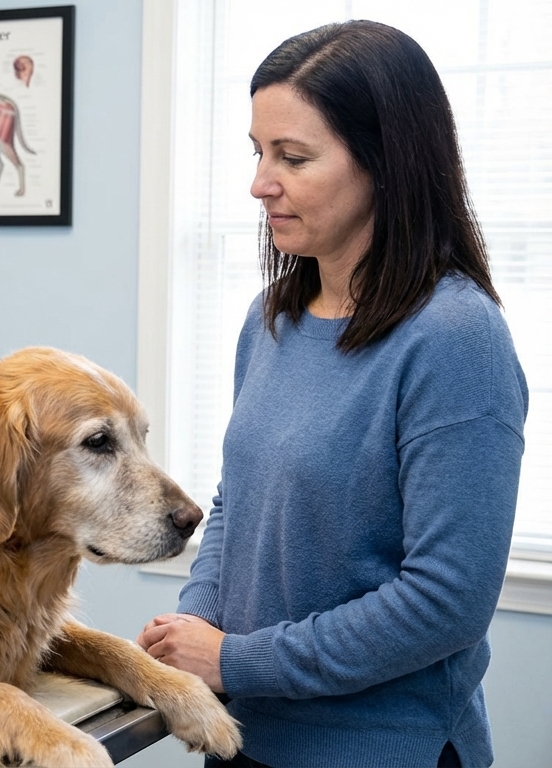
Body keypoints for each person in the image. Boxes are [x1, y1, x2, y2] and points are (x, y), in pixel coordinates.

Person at [137, 20, 527, 768]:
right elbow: (238, 501)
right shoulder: (272, 317)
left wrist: (237, 660)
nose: (260, 182)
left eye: (294, 157)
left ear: (385, 163)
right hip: (245, 737)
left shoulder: (455, 338)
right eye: (258, 152)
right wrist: (193, 629)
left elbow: (445, 602)